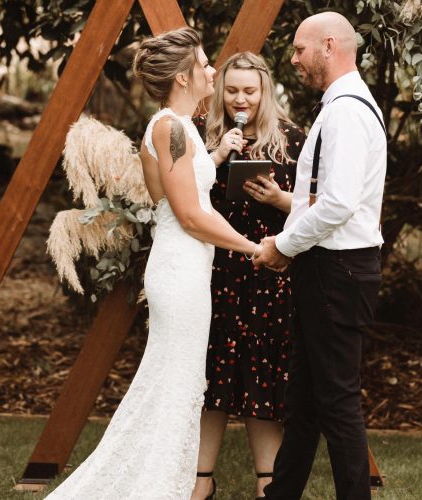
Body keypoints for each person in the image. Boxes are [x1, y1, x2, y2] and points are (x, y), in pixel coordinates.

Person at [45, 27, 263, 500]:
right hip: (181, 270)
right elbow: (188, 214)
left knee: (176, 384)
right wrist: (254, 249)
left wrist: (218, 154)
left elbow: (175, 190)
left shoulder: (173, 128)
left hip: (184, 268)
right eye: (205, 64)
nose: (212, 71)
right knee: (176, 386)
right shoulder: (170, 127)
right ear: (184, 77)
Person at [255, 12, 387, 500]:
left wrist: (282, 245)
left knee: (336, 401)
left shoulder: (347, 111)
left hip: (337, 271)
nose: (293, 60)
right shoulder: (340, 106)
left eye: (298, 50)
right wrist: (286, 220)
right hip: (329, 269)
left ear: (329, 46)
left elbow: (337, 203)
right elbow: (324, 199)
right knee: (305, 402)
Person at [190, 52, 305, 500]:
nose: (241, 99)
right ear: (221, 92)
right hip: (216, 270)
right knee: (210, 377)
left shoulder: (291, 138)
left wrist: (278, 198)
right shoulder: (203, 136)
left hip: (269, 270)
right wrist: (218, 157)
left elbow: (318, 203)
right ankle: (202, 481)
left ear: (265, 91)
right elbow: (184, 198)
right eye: (233, 90)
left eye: (250, 91)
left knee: (264, 375)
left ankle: (267, 483)